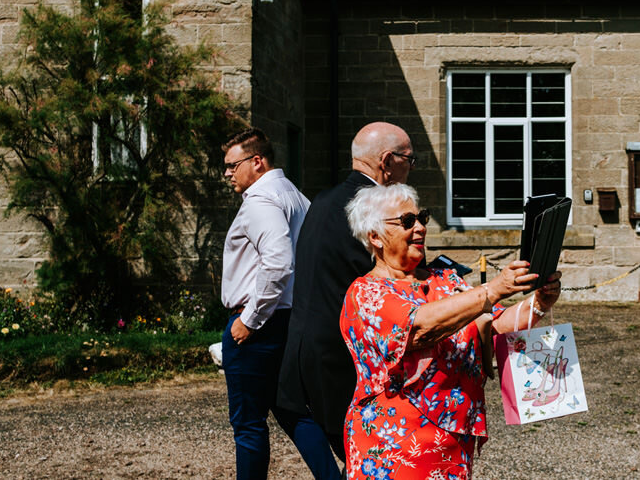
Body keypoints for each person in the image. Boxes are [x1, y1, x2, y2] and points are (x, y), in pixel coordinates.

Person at [340, 183, 562, 479]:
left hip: (454, 442)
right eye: (407, 221)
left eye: (422, 218)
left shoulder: (444, 280)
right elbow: (419, 328)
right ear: (375, 236)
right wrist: (493, 289)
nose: (419, 227)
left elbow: (494, 324)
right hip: (395, 445)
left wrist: (539, 303)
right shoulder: (366, 293)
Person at [277, 122, 416, 464]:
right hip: (345, 359)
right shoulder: (377, 212)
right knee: (374, 458)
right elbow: (398, 281)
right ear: (387, 160)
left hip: (303, 348)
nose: (412, 168)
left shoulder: (323, 199)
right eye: (410, 159)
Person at [219, 128, 335, 480]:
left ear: (257, 161)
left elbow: (278, 261)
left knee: (248, 423)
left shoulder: (260, 200)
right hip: (289, 320)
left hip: (258, 325)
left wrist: (250, 319)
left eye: (231, 165)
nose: (226, 173)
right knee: (292, 410)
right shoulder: (296, 196)